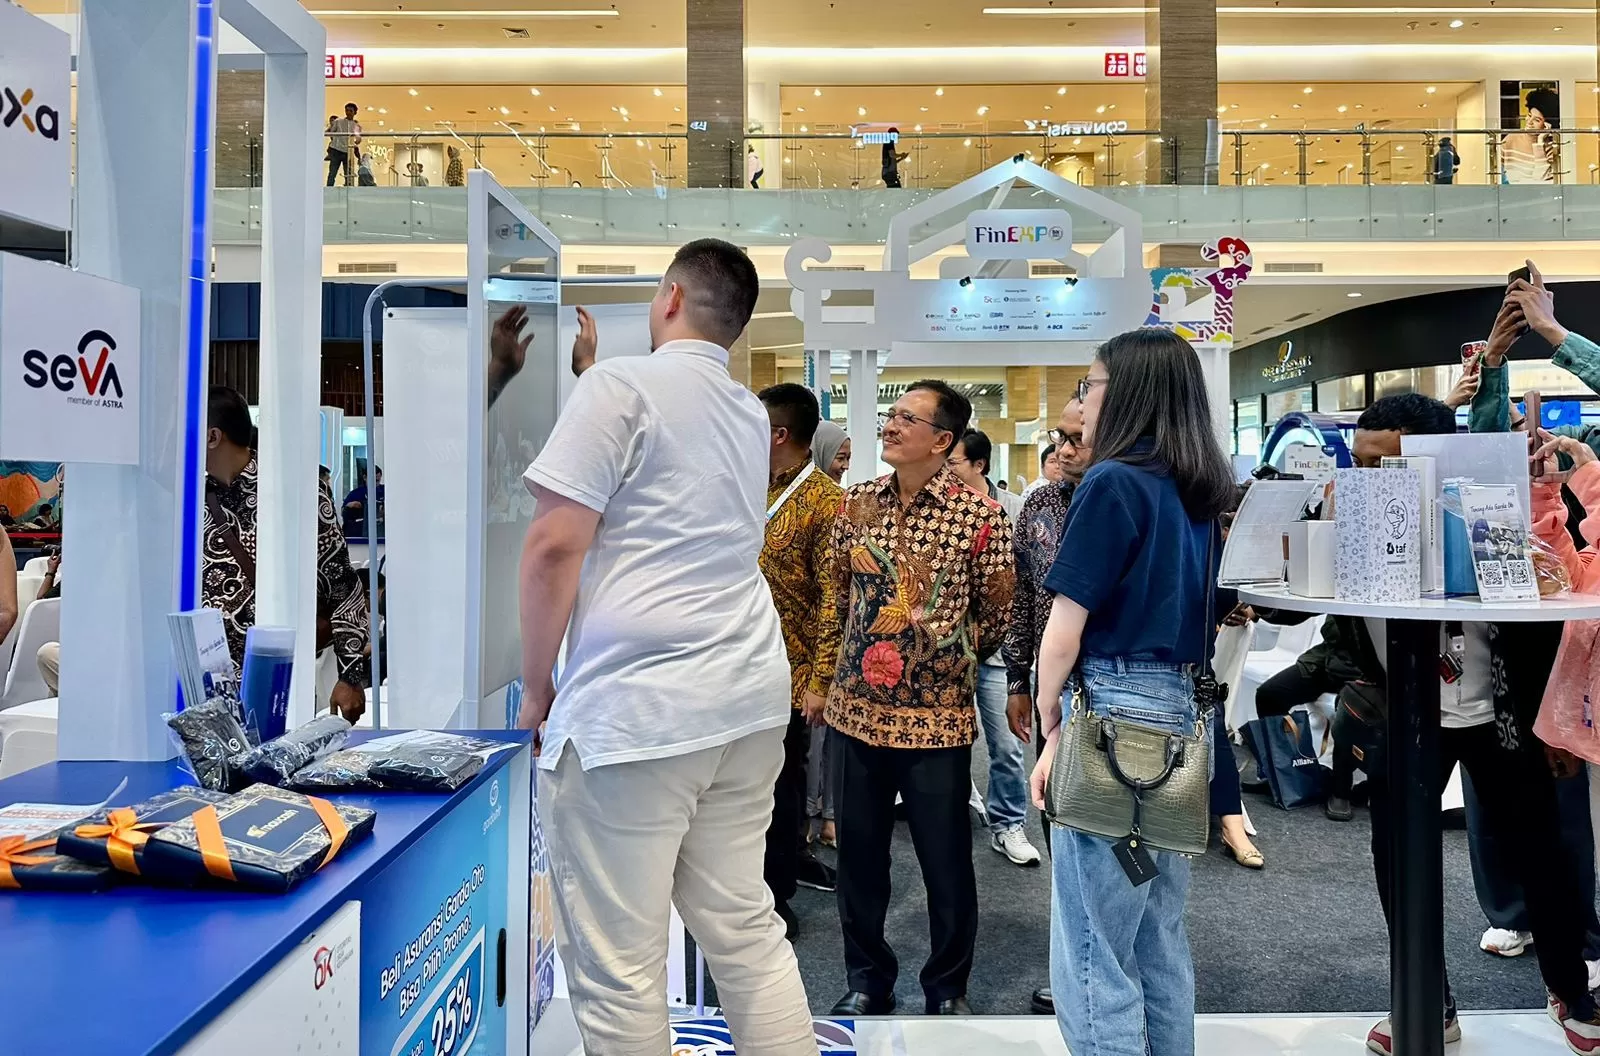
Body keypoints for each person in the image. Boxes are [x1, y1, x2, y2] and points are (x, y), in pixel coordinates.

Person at [516, 239, 816, 1056]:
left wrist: (536, 689)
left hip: (638, 713)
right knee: (746, 929)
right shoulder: (749, 413)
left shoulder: (621, 386)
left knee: (618, 967)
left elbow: (553, 547)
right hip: (747, 698)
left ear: (670, 295)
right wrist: (593, 378)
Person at [1346, 391, 1600, 1055]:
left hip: (1502, 713)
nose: (1369, 481)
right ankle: (1427, 1002)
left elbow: (1545, 620)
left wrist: (1555, 722)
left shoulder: (1496, 512)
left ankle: (1571, 991)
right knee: (1399, 863)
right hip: (1403, 719)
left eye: (1386, 467)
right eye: (1360, 465)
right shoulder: (1352, 523)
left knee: (1544, 851)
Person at [1028, 329, 1235, 1056]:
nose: (1083, 400)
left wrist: (1048, 719)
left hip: (1112, 713)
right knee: (1155, 932)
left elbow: (1064, 628)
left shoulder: (1113, 483)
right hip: (1178, 714)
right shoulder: (1198, 490)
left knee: (1092, 943)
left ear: (1129, 392)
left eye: (1091, 385)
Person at [825, 380, 1014, 1018]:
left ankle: (946, 988)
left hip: (937, 719)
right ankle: (868, 980)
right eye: (891, 413)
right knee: (859, 856)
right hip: (855, 712)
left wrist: (949, 657)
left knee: (946, 861)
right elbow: (837, 602)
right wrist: (822, 678)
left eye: (908, 417)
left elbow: (999, 605)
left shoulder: (979, 517)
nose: (891, 425)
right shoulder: (856, 505)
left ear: (942, 440)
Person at [203, 386, 370, 722]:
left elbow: (340, 583)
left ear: (212, 436)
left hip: (280, 679)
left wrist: (350, 675)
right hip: (207, 685)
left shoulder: (294, 489)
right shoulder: (191, 495)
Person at [1003, 397, 1089, 1018]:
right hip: (1052, 690)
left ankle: (1100, 973)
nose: (1061, 450)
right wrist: (1018, 680)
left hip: (1118, 690)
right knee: (1059, 826)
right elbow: (1025, 600)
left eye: (1075, 439)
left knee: (1118, 841)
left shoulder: (1127, 497)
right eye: (1056, 439)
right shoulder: (1039, 503)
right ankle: (1074, 968)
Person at [756, 382, 845, 939]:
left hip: (789, 675)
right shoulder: (751, 487)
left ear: (780, 434)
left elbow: (834, 597)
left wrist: (818, 680)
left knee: (783, 786)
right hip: (738, 664)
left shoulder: (827, 503)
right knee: (745, 790)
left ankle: (777, 894)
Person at [946, 428, 1038, 867]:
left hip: (1001, 655)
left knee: (1007, 745)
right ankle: (958, 811)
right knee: (948, 744)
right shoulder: (941, 512)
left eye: (954, 464)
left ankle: (1008, 824)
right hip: (951, 651)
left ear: (979, 466)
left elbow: (1025, 585)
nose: (946, 472)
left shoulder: (1016, 511)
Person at [1251, 616, 1369, 821]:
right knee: (1269, 695)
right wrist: (1257, 611)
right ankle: (1283, 775)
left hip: (1368, 670)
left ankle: (1340, 790)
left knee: (1347, 711)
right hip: (1326, 660)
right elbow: (1306, 606)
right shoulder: (1338, 584)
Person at [806, 419, 851, 849]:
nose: (843, 467)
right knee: (810, 740)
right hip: (799, 646)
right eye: (840, 457)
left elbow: (835, 590)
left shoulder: (837, 504)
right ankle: (811, 815)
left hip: (833, 640)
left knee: (830, 738)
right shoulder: (792, 500)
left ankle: (831, 815)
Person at [1501, 87, 1559, 185]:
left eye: (1537, 120)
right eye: (1529, 115)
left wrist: (1540, 143)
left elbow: (1542, 179)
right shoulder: (1510, 139)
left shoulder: (1551, 146)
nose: (1529, 121)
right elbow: (1497, 174)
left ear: (1548, 124)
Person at [326, 102, 362, 187]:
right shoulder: (338, 121)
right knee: (332, 172)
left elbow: (358, 139)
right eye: (347, 110)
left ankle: (348, 189)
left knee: (348, 173)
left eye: (351, 111)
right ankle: (329, 190)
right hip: (336, 150)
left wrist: (355, 140)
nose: (348, 112)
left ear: (355, 112)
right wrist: (334, 139)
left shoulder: (356, 126)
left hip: (347, 152)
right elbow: (330, 132)